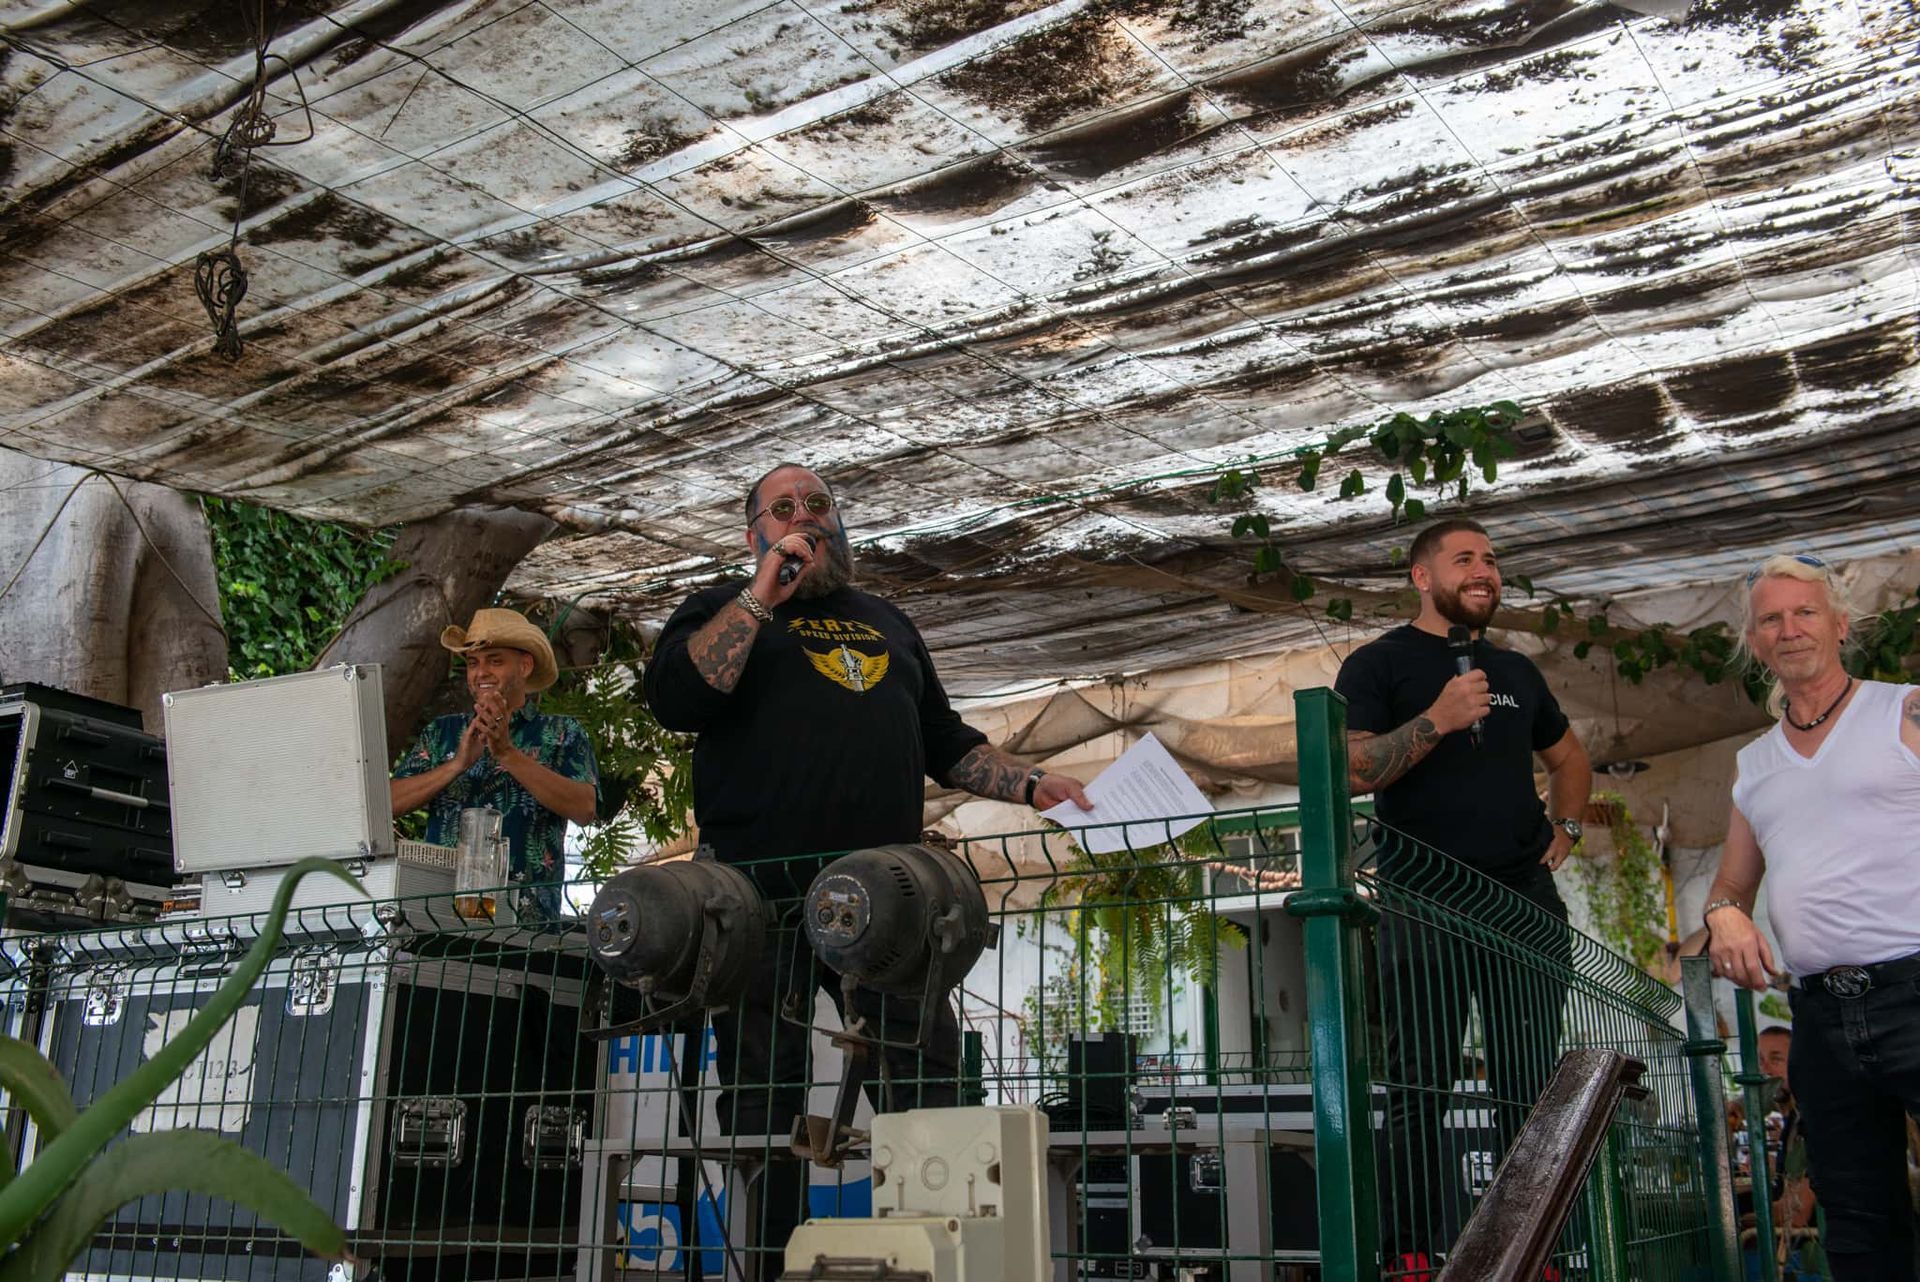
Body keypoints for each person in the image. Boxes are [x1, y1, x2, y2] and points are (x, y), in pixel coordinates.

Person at [643, 462, 1091, 1275]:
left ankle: (943, 1262)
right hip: (756, 894)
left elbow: (945, 740)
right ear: (754, 534)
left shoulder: (886, 619)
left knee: (926, 1087)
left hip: (885, 898)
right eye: (783, 509)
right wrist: (759, 597)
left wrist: (1030, 782)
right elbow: (678, 699)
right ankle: (767, 1267)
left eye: (819, 505)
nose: (805, 517)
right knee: (761, 1095)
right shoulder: (720, 606)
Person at [1333, 517, 1592, 1278]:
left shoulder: (1516, 671)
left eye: (1491, 560)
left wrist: (1567, 826)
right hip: (1426, 897)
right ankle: (1409, 1255)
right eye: (1464, 560)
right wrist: (1438, 720)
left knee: (1531, 1084)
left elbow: (1570, 758)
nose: (1484, 571)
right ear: (1422, 577)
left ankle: (1534, 1252)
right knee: (1422, 1081)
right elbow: (1353, 771)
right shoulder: (1377, 664)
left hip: (1522, 896)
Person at [1705, 552, 1920, 1282]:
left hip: (1915, 989)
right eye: (1772, 618)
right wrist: (1726, 916)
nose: (1789, 628)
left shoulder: (1905, 710)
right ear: (1755, 641)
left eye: (1805, 612)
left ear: (1840, 624)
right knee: (1858, 1222)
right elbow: (1729, 886)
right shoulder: (1755, 764)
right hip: (1820, 1018)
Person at [390, 607, 599, 921]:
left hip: (527, 925)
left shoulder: (562, 733)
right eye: (473, 663)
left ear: (525, 665)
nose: (481, 672)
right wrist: (456, 764)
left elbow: (585, 808)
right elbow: (386, 804)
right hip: (437, 919)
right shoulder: (442, 732)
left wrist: (507, 754)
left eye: (495, 660)